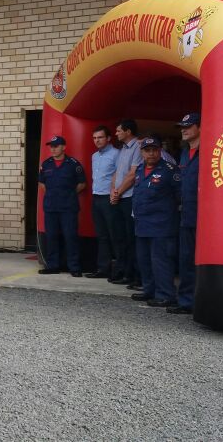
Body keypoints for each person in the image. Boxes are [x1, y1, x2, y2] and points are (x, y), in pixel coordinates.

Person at [130, 137, 181, 308]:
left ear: (160, 151)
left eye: (154, 150)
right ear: (142, 152)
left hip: (162, 225)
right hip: (142, 224)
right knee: (144, 260)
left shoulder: (169, 170)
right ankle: (149, 290)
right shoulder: (139, 170)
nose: (151, 153)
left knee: (161, 261)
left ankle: (165, 294)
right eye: (147, 150)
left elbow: (179, 196)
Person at [38, 135, 87, 276]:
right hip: (51, 207)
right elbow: (42, 183)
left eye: (56, 146)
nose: (53, 149)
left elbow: (82, 184)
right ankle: (52, 266)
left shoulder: (73, 164)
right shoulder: (46, 164)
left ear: (63, 147)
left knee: (70, 237)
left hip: (68, 208)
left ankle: (74, 267)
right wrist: (54, 194)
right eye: (51, 146)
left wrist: (68, 194)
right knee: (51, 237)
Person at [172, 112, 201, 315]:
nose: (183, 129)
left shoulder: (209, 152)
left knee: (203, 262)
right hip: (186, 214)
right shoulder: (184, 153)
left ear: (200, 127)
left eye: (188, 126)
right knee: (185, 258)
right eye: (182, 126)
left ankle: (202, 301)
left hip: (203, 216)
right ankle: (185, 301)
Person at [88, 126, 123, 279]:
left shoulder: (117, 154)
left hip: (110, 199)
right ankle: (103, 269)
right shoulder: (94, 156)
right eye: (95, 138)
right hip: (96, 197)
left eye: (100, 137)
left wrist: (115, 193)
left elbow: (120, 176)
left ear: (108, 138)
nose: (97, 141)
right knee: (101, 235)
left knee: (115, 235)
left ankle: (119, 270)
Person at [110, 119, 141, 288]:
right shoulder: (122, 149)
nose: (116, 133)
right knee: (119, 238)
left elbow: (132, 174)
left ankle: (132, 274)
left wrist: (119, 192)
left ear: (128, 131)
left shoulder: (137, 147)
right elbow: (116, 173)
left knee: (131, 239)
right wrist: (113, 192)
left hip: (129, 198)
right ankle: (122, 271)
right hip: (119, 198)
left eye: (118, 130)